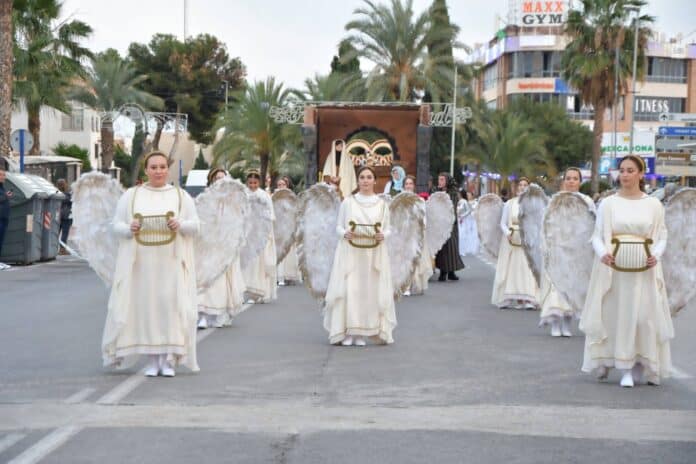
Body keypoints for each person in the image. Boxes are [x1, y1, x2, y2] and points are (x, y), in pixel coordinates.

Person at [103, 151, 200, 377]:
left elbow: (196, 225)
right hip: (141, 267)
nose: (158, 171)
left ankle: (168, 360)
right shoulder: (131, 196)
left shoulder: (181, 196)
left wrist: (181, 224)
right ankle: (152, 360)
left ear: (168, 169)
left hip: (172, 264)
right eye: (154, 167)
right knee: (147, 310)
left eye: (162, 167)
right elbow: (114, 225)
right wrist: (129, 229)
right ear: (146, 170)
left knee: (170, 308)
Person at [580, 155, 672, 388]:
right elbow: (598, 235)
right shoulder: (609, 203)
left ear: (641, 174)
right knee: (617, 316)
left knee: (643, 318)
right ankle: (623, 366)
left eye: (630, 170)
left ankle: (642, 361)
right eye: (622, 170)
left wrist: (656, 255)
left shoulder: (654, 205)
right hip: (614, 271)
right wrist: (603, 254)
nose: (625, 175)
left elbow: (661, 235)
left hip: (644, 271)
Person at [324, 166, 396, 346]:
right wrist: (344, 234)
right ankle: (348, 331)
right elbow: (338, 226)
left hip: (373, 255)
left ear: (374, 180)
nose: (365, 180)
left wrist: (383, 235)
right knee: (351, 289)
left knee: (368, 291)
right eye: (362, 177)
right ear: (358, 181)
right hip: (351, 253)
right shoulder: (348, 202)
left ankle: (362, 333)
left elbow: (388, 228)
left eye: (369, 177)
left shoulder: (381, 205)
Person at [539, 168, 595, 337]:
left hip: (578, 252)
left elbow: (593, 224)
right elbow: (545, 224)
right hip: (557, 249)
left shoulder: (587, 201)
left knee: (574, 286)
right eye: (568, 178)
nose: (571, 181)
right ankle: (555, 323)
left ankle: (567, 324)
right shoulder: (555, 201)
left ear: (580, 181)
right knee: (557, 286)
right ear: (564, 181)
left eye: (575, 178)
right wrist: (546, 246)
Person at [197, 168, 247, 329]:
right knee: (206, 277)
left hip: (226, 247)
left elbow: (239, 223)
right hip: (209, 246)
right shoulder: (205, 198)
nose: (219, 181)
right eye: (216, 178)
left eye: (222, 178)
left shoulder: (234, 201)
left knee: (223, 280)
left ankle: (221, 313)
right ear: (211, 181)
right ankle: (204, 313)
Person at [491, 177, 540, 309]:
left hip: (527, 242)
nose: (522, 187)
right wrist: (508, 234)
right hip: (511, 241)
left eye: (525, 185)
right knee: (512, 268)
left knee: (527, 269)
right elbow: (502, 223)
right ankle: (514, 298)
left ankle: (529, 299)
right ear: (516, 187)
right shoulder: (509, 204)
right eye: (520, 185)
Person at [243, 170, 277, 304]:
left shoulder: (264, 195)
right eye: (250, 183)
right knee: (248, 262)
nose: (252, 185)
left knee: (260, 263)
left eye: (255, 183)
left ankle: (260, 291)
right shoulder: (243, 194)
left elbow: (271, 214)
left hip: (260, 233)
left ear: (259, 182)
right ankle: (250, 290)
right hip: (247, 233)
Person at [403, 175, 432, 295]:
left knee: (415, 259)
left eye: (410, 183)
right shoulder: (400, 200)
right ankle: (406, 286)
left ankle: (416, 283)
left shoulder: (419, 200)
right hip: (404, 233)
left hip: (416, 232)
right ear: (404, 186)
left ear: (413, 186)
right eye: (406, 184)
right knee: (405, 259)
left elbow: (423, 216)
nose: (408, 186)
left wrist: (421, 228)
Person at [433, 173, 465, 281]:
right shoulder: (436, 192)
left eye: (442, 180)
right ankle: (443, 272)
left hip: (451, 223)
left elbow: (452, 207)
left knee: (451, 247)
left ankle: (451, 272)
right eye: (439, 179)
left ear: (447, 181)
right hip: (440, 224)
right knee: (442, 248)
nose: (440, 182)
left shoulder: (453, 193)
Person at [275, 176, 301, 286]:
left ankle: (288, 275)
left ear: (287, 185)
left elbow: (295, 212)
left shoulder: (291, 197)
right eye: (279, 185)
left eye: (283, 184)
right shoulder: (274, 196)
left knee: (288, 252)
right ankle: (279, 276)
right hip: (277, 228)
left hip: (288, 227)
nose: (281, 187)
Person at [458, 191, 479, 257]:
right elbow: (462, 211)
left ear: (472, 195)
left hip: (473, 220)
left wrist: (472, 213)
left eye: (469, 195)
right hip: (466, 220)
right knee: (464, 234)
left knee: (473, 234)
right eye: (467, 195)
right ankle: (465, 248)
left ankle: (472, 248)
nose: (468, 196)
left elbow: (476, 211)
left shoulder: (475, 203)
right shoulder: (465, 202)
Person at [0, 166, 13, 268]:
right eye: (1, 175)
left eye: (4, 175)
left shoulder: (2, 187)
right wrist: (5, 196)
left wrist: (5, 195)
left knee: (1, 239)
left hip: (4, 217)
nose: (3, 177)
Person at [56, 179, 72, 255]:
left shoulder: (56, 193)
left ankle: (53, 248)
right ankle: (62, 250)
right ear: (65, 185)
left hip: (57, 216)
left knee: (56, 233)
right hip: (66, 216)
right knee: (64, 233)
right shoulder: (68, 195)